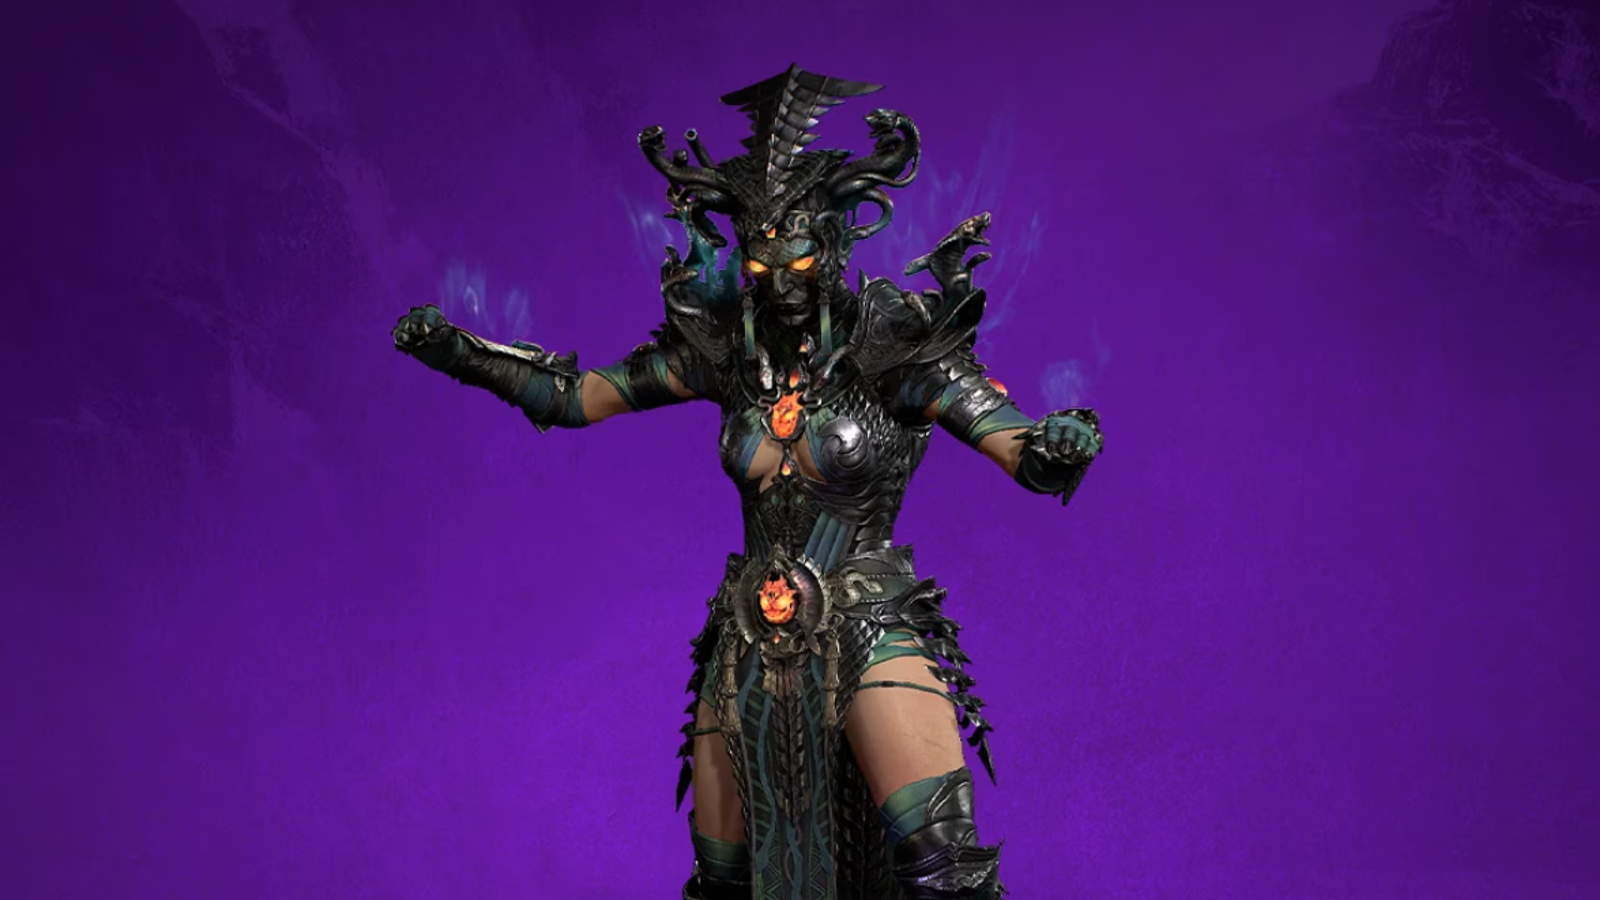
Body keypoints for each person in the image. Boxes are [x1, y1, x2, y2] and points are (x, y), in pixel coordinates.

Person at [392, 64, 1103, 900]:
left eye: (797, 258)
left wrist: (1060, 444)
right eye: (760, 268)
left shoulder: (895, 343)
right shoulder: (729, 349)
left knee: (945, 870)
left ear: (833, 243)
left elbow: (1017, 448)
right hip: (746, 639)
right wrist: (464, 355)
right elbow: (578, 397)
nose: (780, 283)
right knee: (726, 883)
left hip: (868, 616)